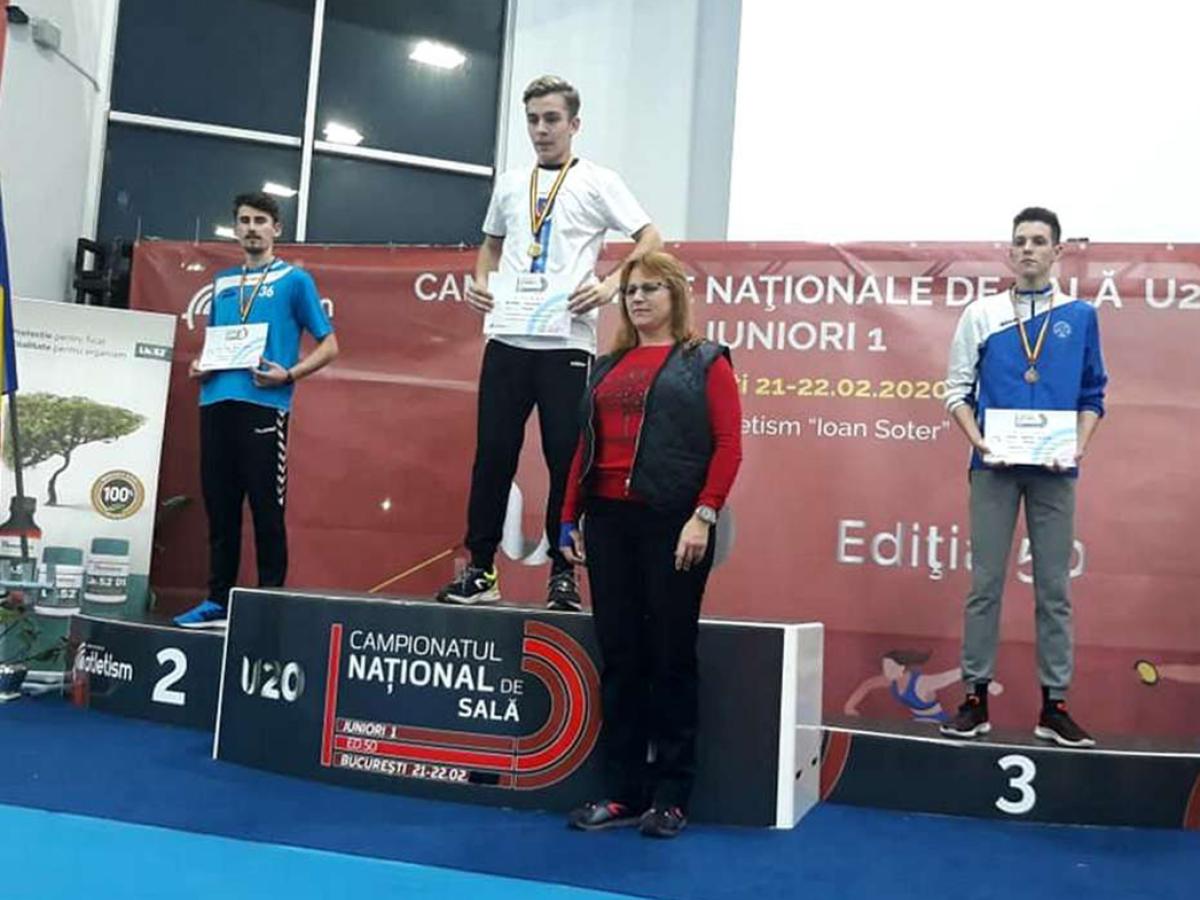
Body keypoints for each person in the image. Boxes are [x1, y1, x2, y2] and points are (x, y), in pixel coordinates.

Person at [436, 75, 662, 611]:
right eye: (533, 119)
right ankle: (481, 569)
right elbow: (490, 246)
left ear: (574, 124)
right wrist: (480, 282)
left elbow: (650, 237)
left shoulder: (599, 181)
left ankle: (564, 573)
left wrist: (611, 285)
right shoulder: (512, 183)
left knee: (565, 458)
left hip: (566, 340)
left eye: (552, 119)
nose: (541, 129)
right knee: (493, 455)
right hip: (509, 336)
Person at [559, 250, 742, 838]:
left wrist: (703, 515)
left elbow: (729, 445)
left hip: (673, 522)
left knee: (670, 657)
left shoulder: (705, 360)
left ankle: (672, 795)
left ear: (675, 296)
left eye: (650, 289)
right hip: (608, 523)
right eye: (631, 290)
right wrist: (568, 518)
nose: (637, 299)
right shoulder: (606, 365)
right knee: (620, 658)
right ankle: (623, 793)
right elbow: (584, 448)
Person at [939, 207, 1107, 746]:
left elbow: (1093, 395)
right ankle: (974, 700)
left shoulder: (1080, 316)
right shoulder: (981, 314)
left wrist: (1078, 446)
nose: (1028, 248)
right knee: (984, 586)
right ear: (1010, 252)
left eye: (1038, 240)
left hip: (1055, 471)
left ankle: (1054, 707)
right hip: (993, 468)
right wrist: (978, 440)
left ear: (1058, 251)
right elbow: (956, 391)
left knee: (1055, 590)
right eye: (1020, 241)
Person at [174, 192, 338, 628]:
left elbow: (330, 346)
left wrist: (290, 374)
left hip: (264, 406)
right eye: (244, 220)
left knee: (267, 510)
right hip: (215, 402)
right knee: (220, 509)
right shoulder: (223, 282)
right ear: (235, 228)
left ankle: (268, 605)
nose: (251, 228)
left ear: (276, 229)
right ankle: (217, 602)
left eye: (260, 220)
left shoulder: (295, 281)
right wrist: (199, 365)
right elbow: (215, 343)